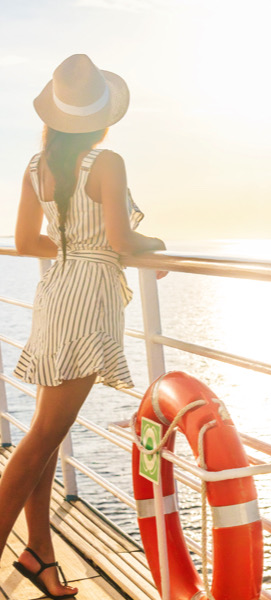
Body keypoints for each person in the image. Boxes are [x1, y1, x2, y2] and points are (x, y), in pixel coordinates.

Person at [0, 54, 165, 599]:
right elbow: (120, 240)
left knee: (47, 433)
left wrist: (72, 249)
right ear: (101, 118)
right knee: (43, 437)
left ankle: (39, 552)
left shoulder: (33, 166)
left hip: (55, 293)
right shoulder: (107, 162)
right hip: (89, 299)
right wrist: (152, 245)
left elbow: (27, 243)